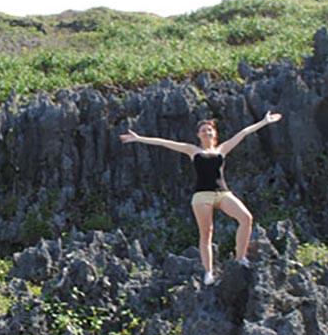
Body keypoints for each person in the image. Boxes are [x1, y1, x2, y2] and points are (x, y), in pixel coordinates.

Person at [119, 111, 283, 285]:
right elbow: (165, 143)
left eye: (210, 130)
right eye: (204, 130)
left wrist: (264, 122)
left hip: (223, 193)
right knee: (206, 233)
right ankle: (208, 272)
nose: (207, 132)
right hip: (202, 196)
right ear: (198, 135)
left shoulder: (222, 149)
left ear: (215, 133)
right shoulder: (193, 151)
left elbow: (243, 133)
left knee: (246, 218)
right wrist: (139, 138)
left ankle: (240, 258)